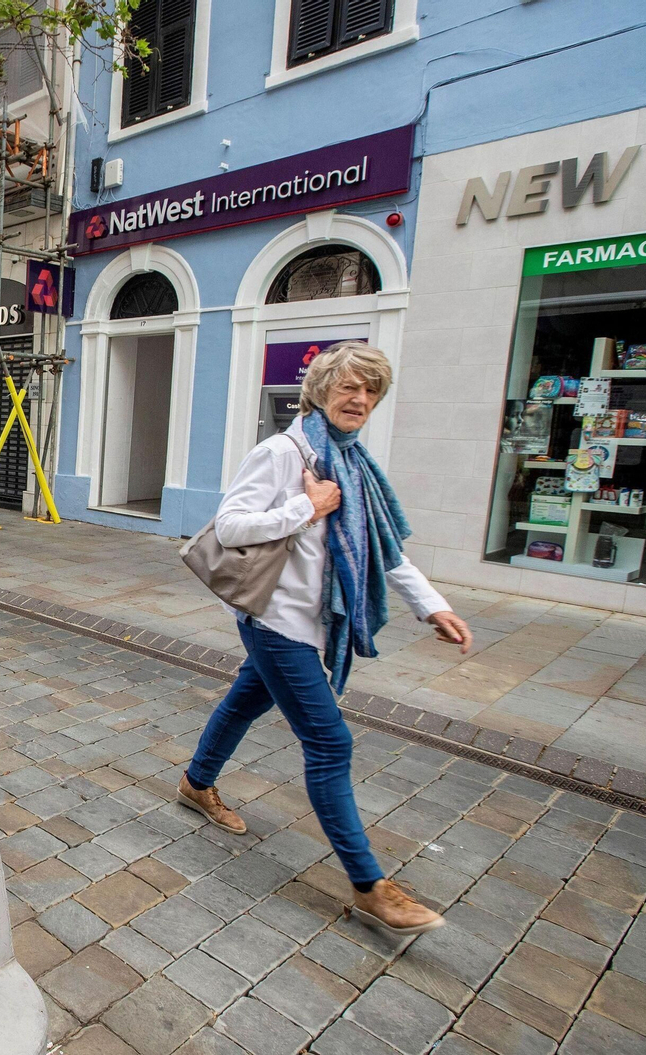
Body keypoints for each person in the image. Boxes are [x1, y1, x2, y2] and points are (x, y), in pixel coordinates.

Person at [176, 341, 473, 935]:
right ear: (321, 390)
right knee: (331, 745)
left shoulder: (356, 461)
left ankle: (195, 783)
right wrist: (304, 510)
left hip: (318, 625)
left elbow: (380, 546)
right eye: (349, 387)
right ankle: (371, 887)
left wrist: (431, 605)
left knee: (244, 700)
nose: (359, 399)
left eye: (371, 391)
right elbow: (231, 525)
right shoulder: (284, 453)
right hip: (278, 623)